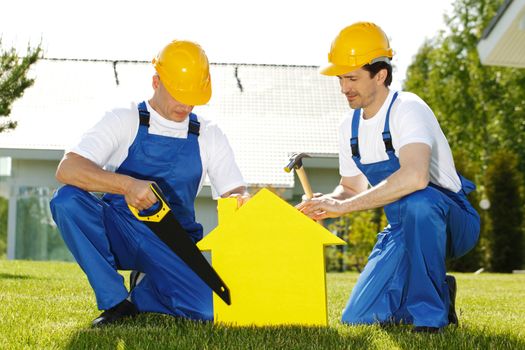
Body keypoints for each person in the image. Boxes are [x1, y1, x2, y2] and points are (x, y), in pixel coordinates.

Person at [50, 40, 249, 327]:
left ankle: (145, 291)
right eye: (179, 93)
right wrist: (127, 185)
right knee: (66, 201)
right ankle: (116, 303)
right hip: (119, 230)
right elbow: (68, 168)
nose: (186, 104)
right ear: (156, 81)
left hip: (174, 240)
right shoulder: (124, 119)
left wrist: (242, 198)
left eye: (193, 95)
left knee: (209, 312)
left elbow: (234, 190)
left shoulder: (209, 135)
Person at [297, 22, 480, 333]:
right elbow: (350, 188)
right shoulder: (348, 127)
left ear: (380, 75)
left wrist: (346, 207)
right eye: (341, 78)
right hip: (401, 228)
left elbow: (415, 176)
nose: (344, 88)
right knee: (358, 317)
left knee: (418, 203)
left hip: (452, 221)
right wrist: (327, 202)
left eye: (352, 78)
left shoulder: (408, 108)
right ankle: (438, 290)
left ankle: (430, 318)